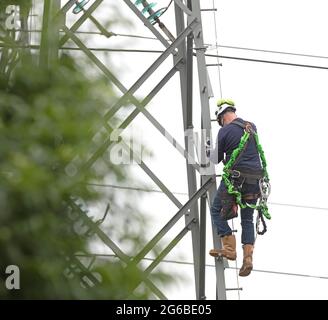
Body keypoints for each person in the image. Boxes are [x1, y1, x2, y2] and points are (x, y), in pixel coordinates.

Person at [208, 99, 265, 277]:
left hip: (236, 179)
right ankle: (248, 258)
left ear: (222, 117)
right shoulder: (251, 126)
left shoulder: (224, 131)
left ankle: (229, 249)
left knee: (216, 209)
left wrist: (208, 147)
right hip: (255, 180)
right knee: (247, 220)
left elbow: (214, 159)